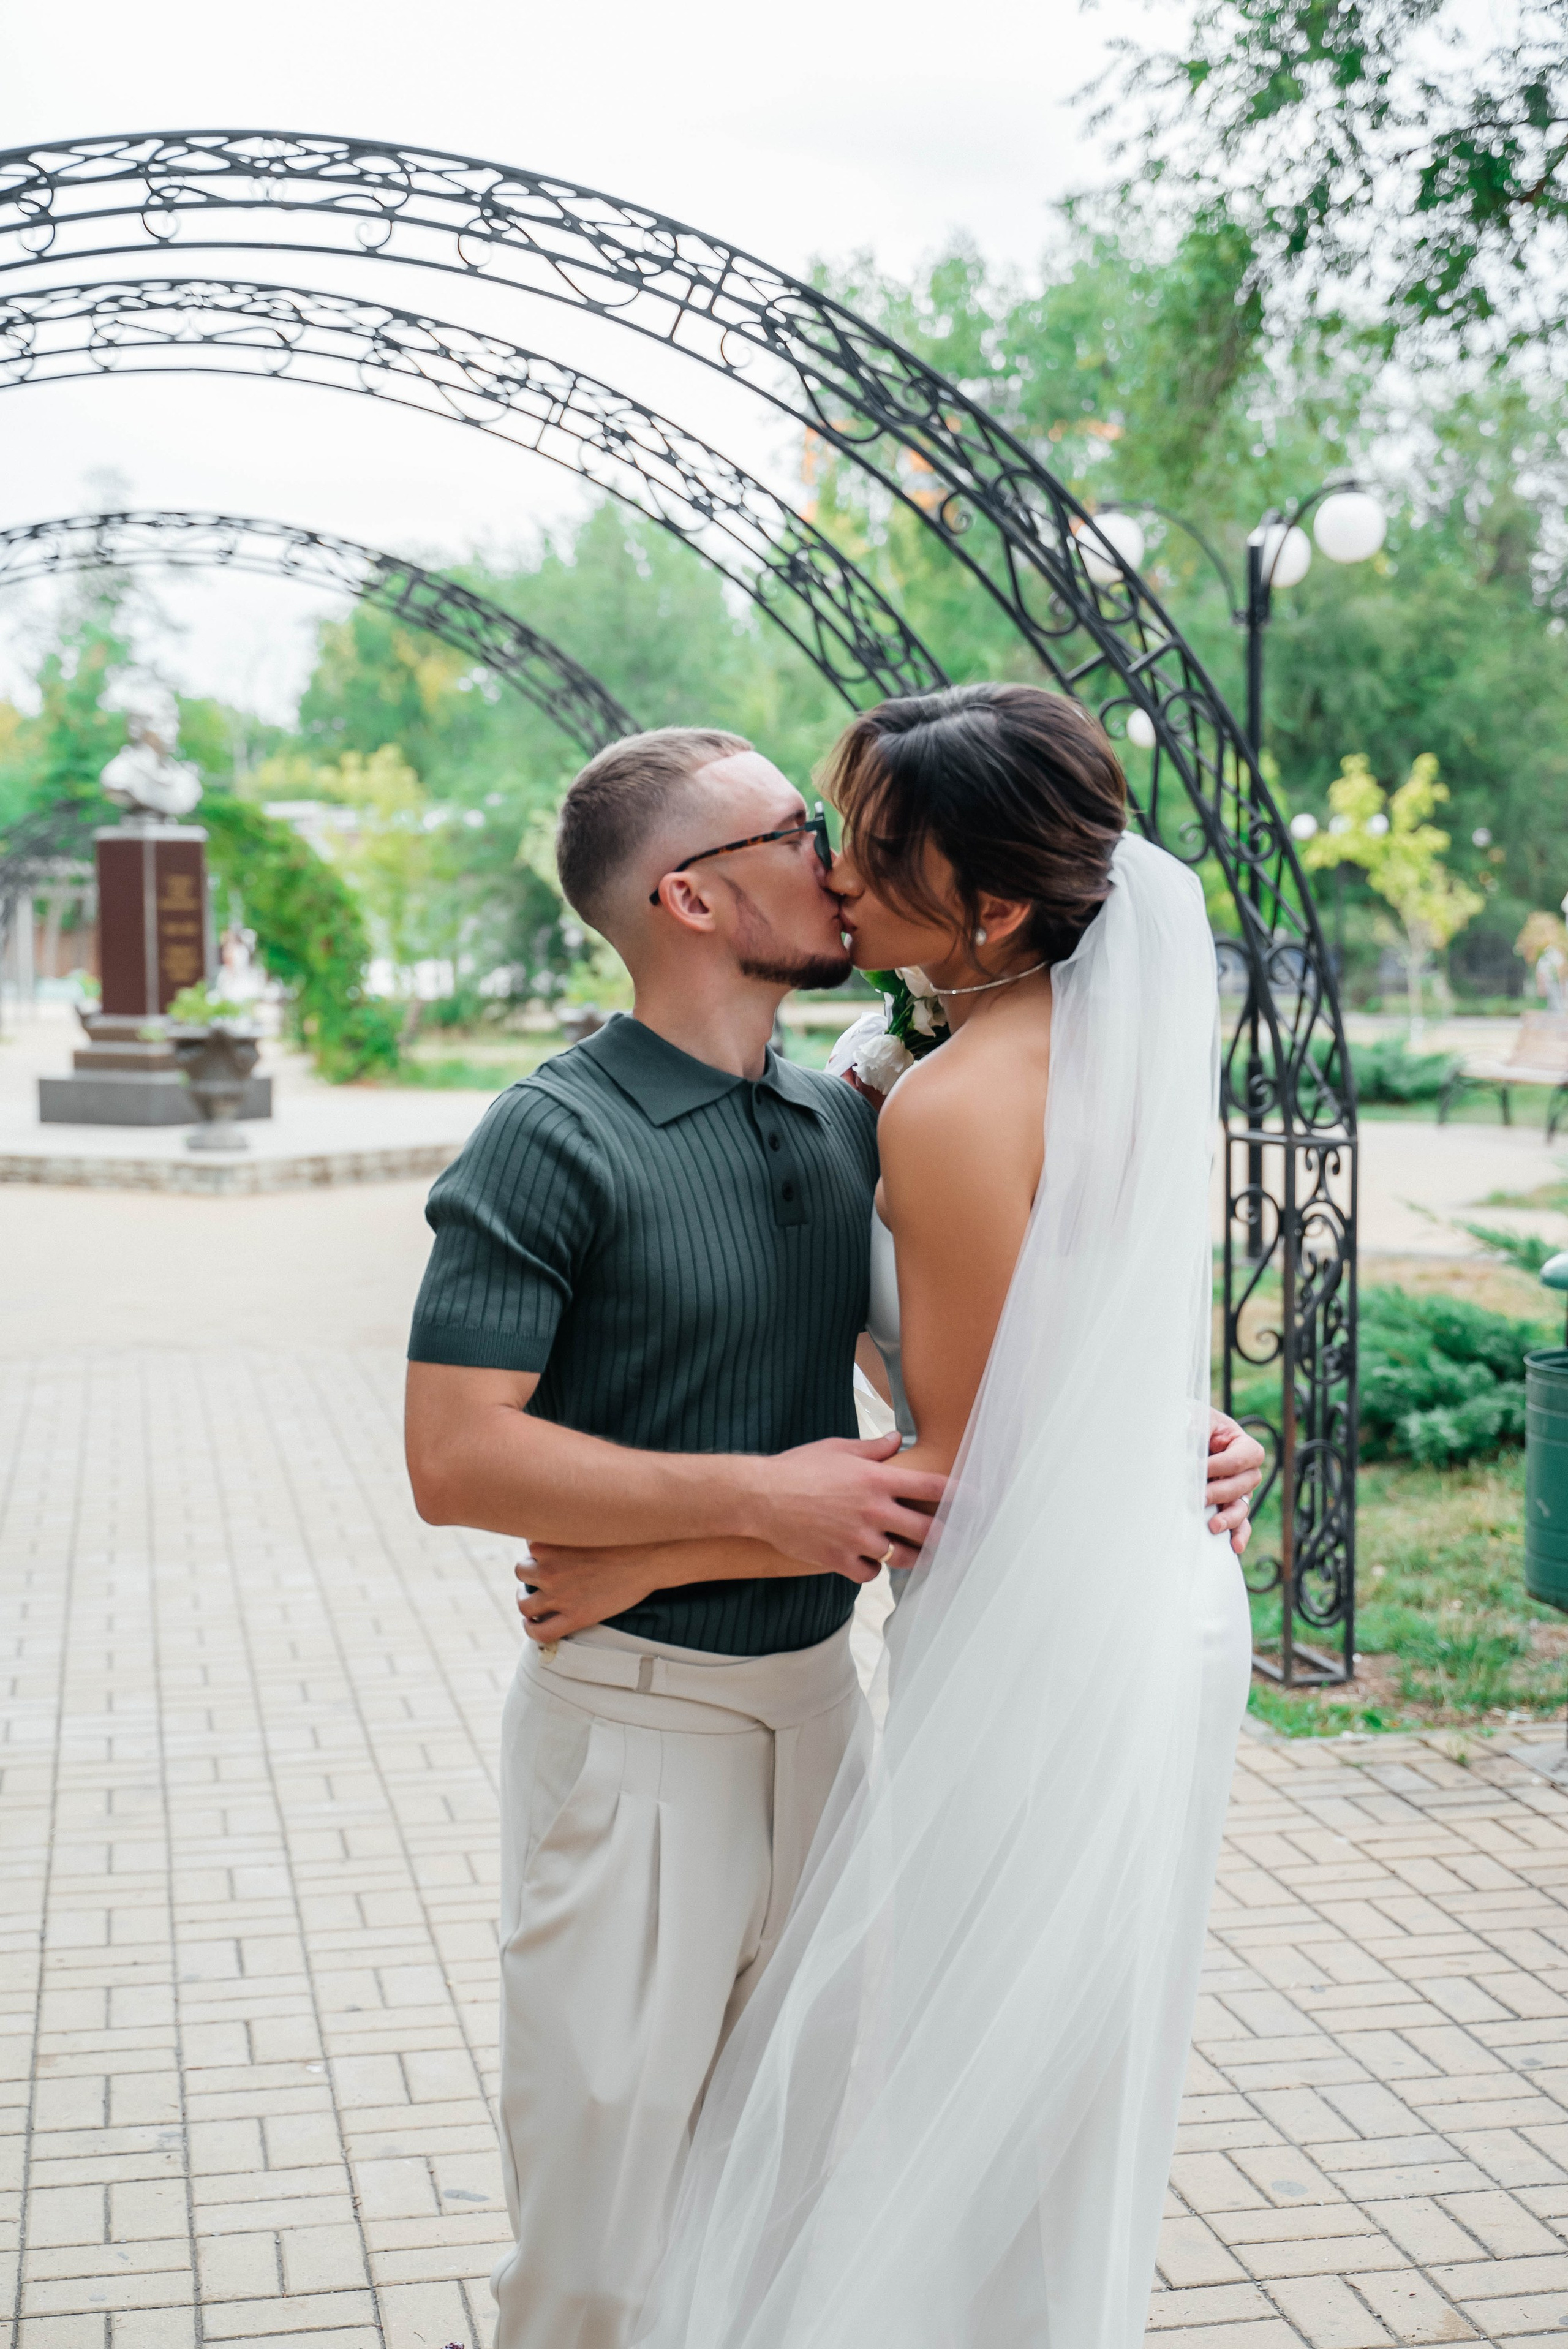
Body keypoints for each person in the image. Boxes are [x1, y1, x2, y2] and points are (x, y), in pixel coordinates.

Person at [402, 719, 1261, 2349]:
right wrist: (737, 1518)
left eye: (844, 826)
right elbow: (453, 1457)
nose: (838, 860)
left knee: (788, 2187)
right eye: (801, 828)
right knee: (600, 2228)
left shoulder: (846, 1114)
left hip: (849, 1720)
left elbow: (989, 1405)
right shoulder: (560, 1131)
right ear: (694, 900)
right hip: (650, 1733)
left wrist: (1179, 1431)